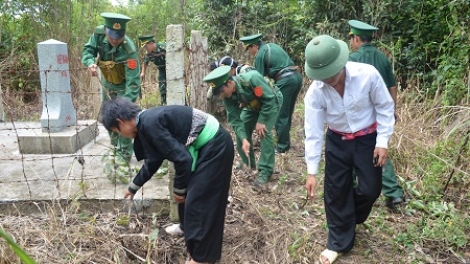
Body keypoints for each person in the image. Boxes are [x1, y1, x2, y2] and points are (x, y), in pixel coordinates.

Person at [99, 97, 234, 264]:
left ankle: (202, 258)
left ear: (121, 122)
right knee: (189, 195)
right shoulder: (145, 124)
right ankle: (185, 227)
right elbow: (153, 160)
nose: (121, 135)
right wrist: (134, 186)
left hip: (216, 146)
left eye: (117, 131)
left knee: (199, 202)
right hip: (205, 148)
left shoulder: (150, 123)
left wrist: (179, 190)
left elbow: (183, 160)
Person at [303, 35, 395, 264]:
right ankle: (338, 242)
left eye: (331, 74)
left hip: (367, 140)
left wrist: (383, 142)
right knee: (335, 192)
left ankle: (349, 216)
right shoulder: (316, 92)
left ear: (342, 62)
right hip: (337, 141)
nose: (328, 80)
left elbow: (385, 107)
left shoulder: (367, 75)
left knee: (370, 189)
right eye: (322, 76)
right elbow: (313, 132)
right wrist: (311, 171)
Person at [348, 19, 404, 207]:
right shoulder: (382, 58)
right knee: (379, 147)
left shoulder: (352, 59)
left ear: (356, 38)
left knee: (355, 146)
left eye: (351, 38)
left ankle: (354, 186)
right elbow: (393, 86)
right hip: (380, 111)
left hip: (361, 115)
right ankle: (393, 192)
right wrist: (392, 109)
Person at [82, 12, 141, 183]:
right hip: (107, 86)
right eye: (112, 36)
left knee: (123, 120)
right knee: (108, 119)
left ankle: (124, 154)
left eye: (119, 36)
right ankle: (115, 147)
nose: (115, 40)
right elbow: (88, 50)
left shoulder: (129, 49)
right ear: (106, 31)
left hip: (125, 88)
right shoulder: (98, 35)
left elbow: (133, 82)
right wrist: (90, 62)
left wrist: (125, 105)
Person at [203, 65, 283, 189]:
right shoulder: (226, 96)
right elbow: (235, 120)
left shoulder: (252, 78)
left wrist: (261, 121)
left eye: (222, 91)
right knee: (242, 129)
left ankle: (265, 171)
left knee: (263, 131)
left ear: (230, 83)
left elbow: (269, 99)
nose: (221, 96)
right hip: (253, 105)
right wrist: (244, 139)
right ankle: (248, 163)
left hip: (271, 102)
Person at [239, 33, 302, 154]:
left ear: (254, 46)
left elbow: (258, 80)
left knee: (280, 114)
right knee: (286, 112)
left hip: (286, 81)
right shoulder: (272, 46)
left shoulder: (260, 55)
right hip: (297, 78)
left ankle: (283, 147)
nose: (249, 53)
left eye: (249, 49)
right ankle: (285, 141)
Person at [138, 35, 167, 105]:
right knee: (163, 88)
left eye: (146, 46)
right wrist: (143, 72)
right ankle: (164, 104)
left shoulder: (163, 46)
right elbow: (145, 62)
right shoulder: (149, 54)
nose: (145, 49)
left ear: (151, 43)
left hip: (172, 68)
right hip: (162, 69)